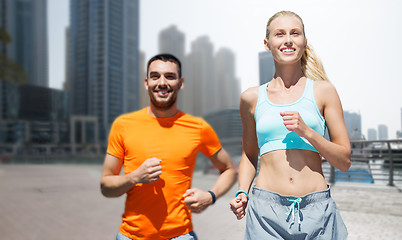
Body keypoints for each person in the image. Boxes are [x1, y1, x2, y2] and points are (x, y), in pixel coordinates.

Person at [229, 11, 350, 239]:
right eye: (279, 34)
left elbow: (344, 161)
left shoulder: (324, 91)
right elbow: (249, 154)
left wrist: (307, 132)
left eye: (295, 33)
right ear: (267, 43)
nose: (288, 40)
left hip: (318, 212)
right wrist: (242, 191)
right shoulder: (250, 98)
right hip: (266, 213)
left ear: (304, 41)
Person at [101, 53, 237, 240]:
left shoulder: (198, 127)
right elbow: (106, 186)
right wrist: (134, 177)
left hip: (180, 235)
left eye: (170, 76)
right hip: (130, 236)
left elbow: (229, 169)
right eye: (155, 76)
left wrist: (210, 197)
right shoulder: (123, 125)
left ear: (180, 83)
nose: (162, 82)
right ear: (146, 82)